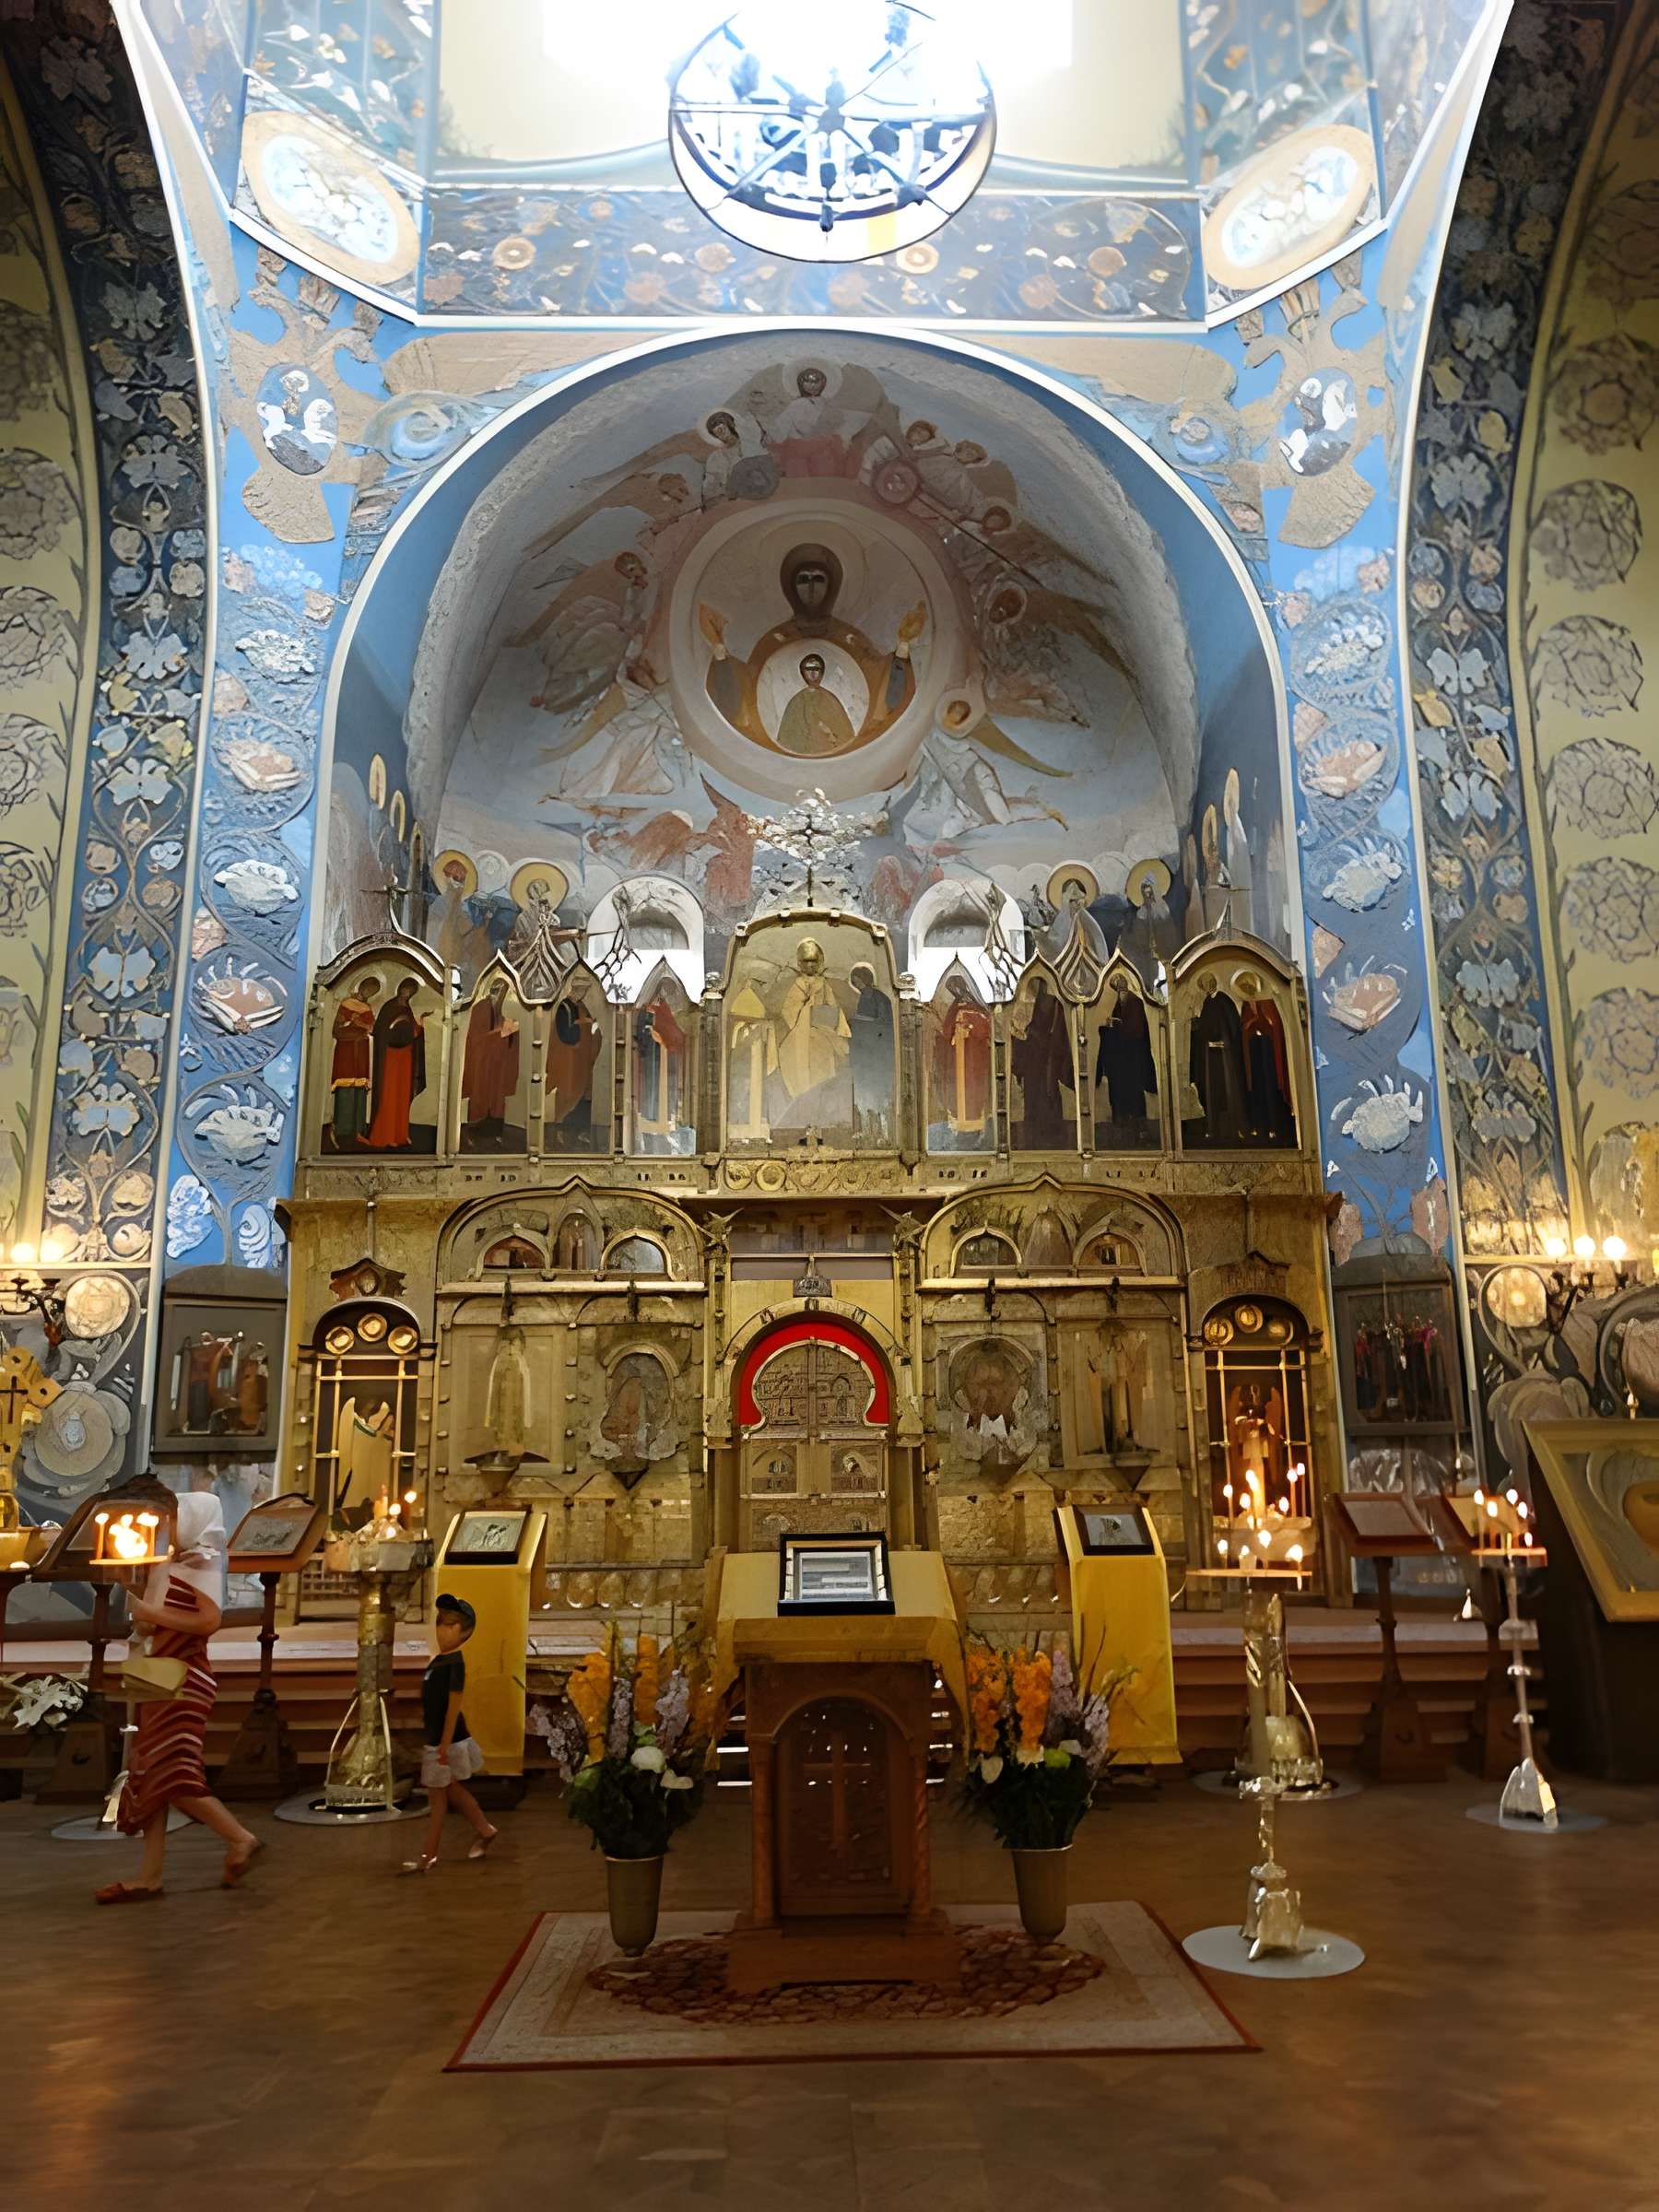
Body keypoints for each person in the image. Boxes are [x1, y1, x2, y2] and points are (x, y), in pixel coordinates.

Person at [96, 1492, 260, 1904]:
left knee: (172, 1775)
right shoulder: (170, 1563)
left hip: (185, 1680)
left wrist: (151, 1614)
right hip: (160, 1680)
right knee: (154, 1775)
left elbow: (208, 1620)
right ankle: (149, 1876)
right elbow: (149, 1626)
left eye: (174, 1516)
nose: (168, 1524)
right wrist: (132, 1589)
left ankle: (240, 1838)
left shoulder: (203, 1562)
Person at [402, 1593, 497, 1874]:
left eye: (451, 1625)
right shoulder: (440, 1663)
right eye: (441, 1623)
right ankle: (484, 1829)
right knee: (449, 1792)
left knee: (439, 1799)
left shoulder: (454, 1664)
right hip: (439, 1735)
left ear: (464, 1631)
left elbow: (453, 1707)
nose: (444, 1630)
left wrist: (443, 1745)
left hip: (446, 1738)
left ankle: (428, 1856)